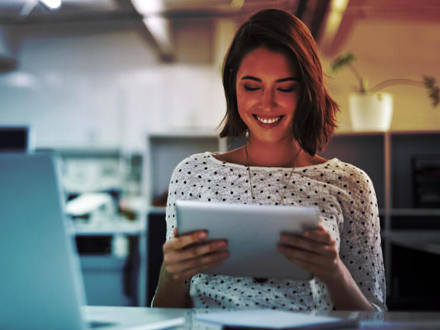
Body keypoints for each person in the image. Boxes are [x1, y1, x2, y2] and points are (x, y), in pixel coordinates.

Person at [152, 9, 386, 312]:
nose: (267, 103)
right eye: (252, 86)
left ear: (307, 91)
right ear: (233, 85)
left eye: (285, 88)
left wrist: (334, 272)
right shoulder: (192, 173)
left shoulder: (350, 183)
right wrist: (172, 274)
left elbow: (375, 318)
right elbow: (165, 311)